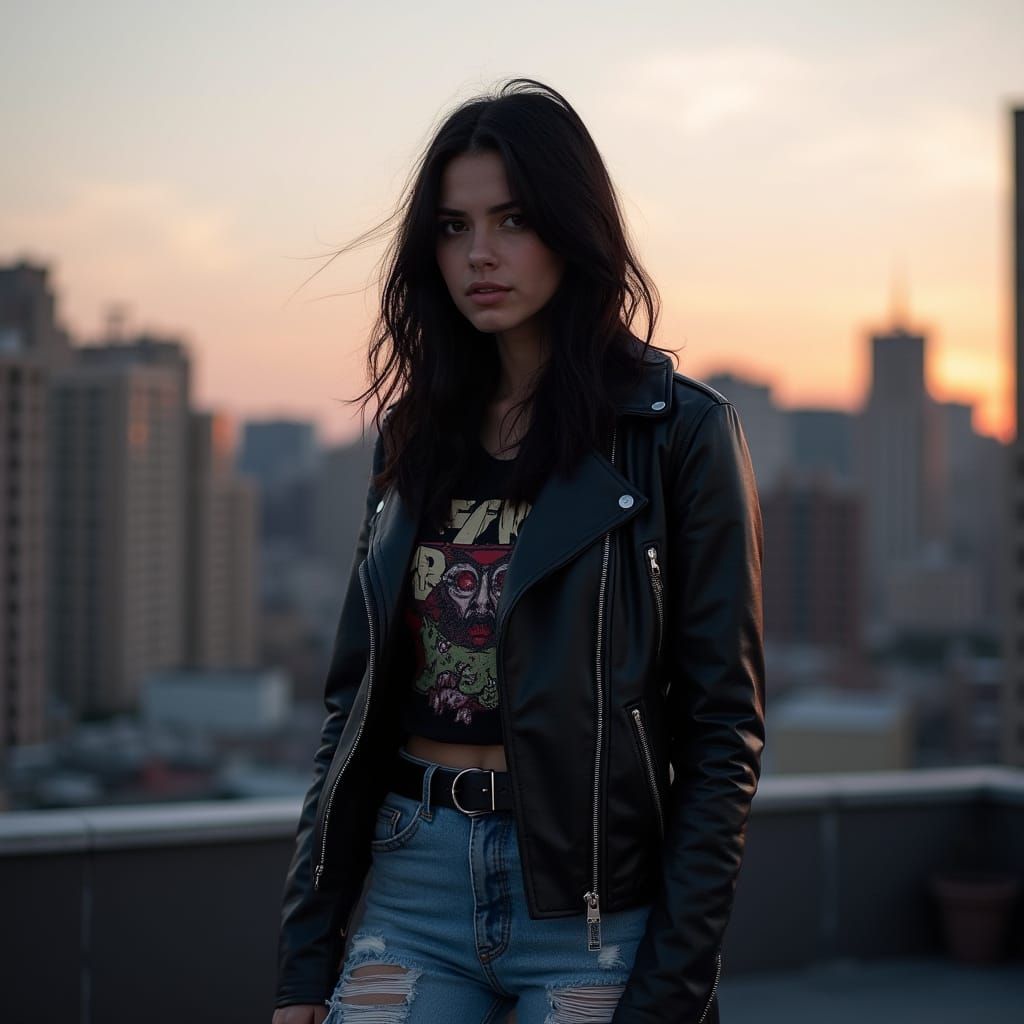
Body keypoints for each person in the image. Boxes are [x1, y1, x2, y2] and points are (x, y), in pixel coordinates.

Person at [272, 77, 765, 1024]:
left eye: (511, 220)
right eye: (454, 228)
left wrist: (671, 990)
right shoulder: (416, 437)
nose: (479, 255)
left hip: (591, 904)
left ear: (572, 231)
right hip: (412, 882)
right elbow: (353, 710)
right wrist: (304, 963)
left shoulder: (679, 436)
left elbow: (722, 736)